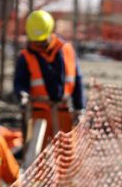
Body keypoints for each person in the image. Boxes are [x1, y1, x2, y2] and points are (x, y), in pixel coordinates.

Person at [14, 9, 86, 147]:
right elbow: (20, 82)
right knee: (38, 159)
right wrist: (22, 94)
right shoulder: (26, 56)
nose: (39, 45)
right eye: (36, 42)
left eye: (42, 41)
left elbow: (77, 80)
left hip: (64, 112)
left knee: (65, 157)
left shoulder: (66, 50)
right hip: (39, 115)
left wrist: (79, 108)